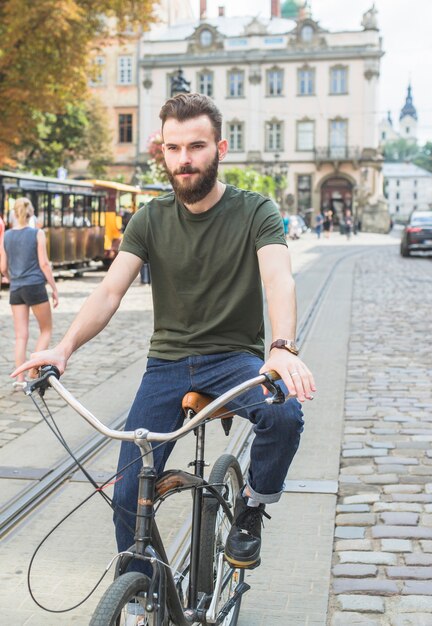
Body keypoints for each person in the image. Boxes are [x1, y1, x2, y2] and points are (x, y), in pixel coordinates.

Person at [12, 94, 315, 580]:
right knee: (128, 497)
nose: (184, 159)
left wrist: (281, 348)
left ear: (220, 149)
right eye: (173, 149)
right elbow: (110, 290)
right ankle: (142, 592)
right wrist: (62, 347)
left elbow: (280, 279)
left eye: (196, 146)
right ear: (163, 152)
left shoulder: (256, 211)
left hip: (235, 360)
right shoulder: (150, 218)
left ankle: (253, 507)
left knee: (284, 414)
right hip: (167, 366)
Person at [1, 198, 59, 388]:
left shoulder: (7, 236)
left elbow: (3, 266)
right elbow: (43, 263)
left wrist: (11, 277)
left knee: (20, 336)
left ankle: (20, 380)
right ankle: (34, 371)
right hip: (34, 286)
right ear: (31, 212)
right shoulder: (37, 233)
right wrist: (54, 287)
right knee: (46, 330)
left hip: (16, 289)